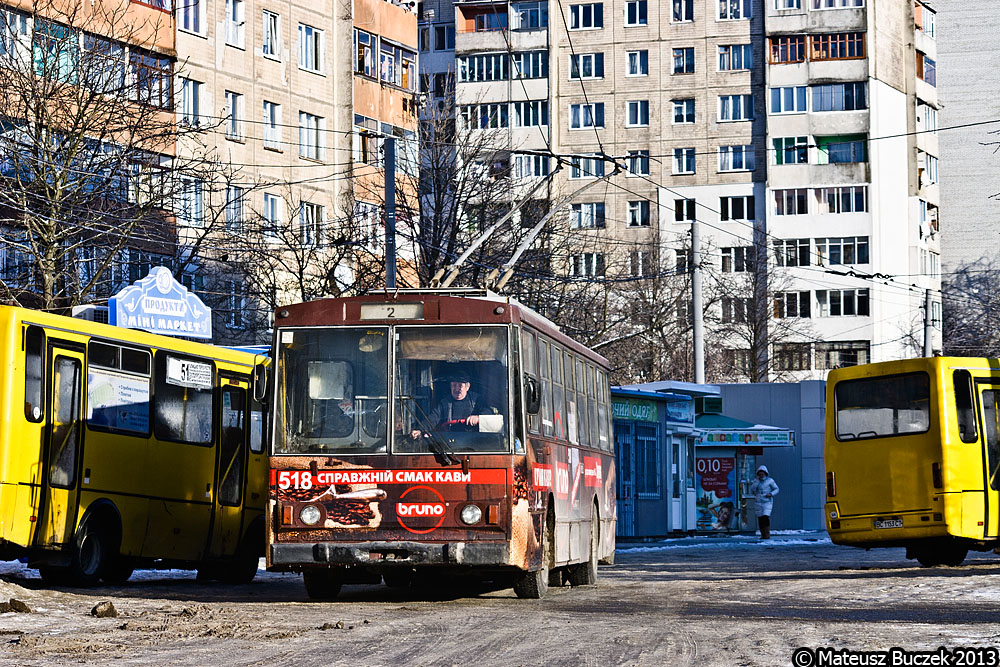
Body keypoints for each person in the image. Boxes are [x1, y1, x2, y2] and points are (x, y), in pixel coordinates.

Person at [409, 369, 496, 439]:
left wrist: (478, 418)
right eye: (454, 385)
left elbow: (488, 412)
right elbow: (432, 418)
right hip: (451, 443)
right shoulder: (445, 402)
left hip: (473, 441)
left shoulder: (477, 399)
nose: (457, 389)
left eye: (460, 386)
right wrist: (419, 430)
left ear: (467, 387)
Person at [750, 465, 779, 539]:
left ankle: (767, 533)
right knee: (760, 519)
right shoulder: (756, 481)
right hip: (758, 502)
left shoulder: (770, 481)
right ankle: (762, 534)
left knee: (765, 517)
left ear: (765, 473)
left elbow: (776, 489)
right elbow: (752, 490)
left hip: (767, 502)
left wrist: (771, 494)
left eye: (762, 474)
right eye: (759, 474)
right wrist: (756, 482)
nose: (761, 475)